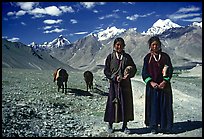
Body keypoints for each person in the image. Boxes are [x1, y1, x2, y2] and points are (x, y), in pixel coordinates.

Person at [104, 37, 137, 134]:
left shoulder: (127, 57)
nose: (119, 46)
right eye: (117, 45)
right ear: (114, 46)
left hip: (125, 85)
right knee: (112, 103)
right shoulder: (110, 57)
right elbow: (106, 71)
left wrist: (129, 73)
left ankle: (125, 125)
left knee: (125, 104)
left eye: (121, 45)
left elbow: (134, 68)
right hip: (114, 85)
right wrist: (114, 77)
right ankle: (110, 124)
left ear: (124, 46)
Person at [142, 36, 174, 134]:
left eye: (157, 44)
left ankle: (165, 126)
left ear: (160, 45)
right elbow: (144, 72)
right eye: (153, 45)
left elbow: (170, 69)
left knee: (165, 106)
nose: (155, 46)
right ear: (150, 46)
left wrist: (165, 81)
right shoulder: (147, 58)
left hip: (164, 86)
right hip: (152, 87)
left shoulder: (165, 57)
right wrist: (151, 82)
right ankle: (153, 126)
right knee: (153, 106)